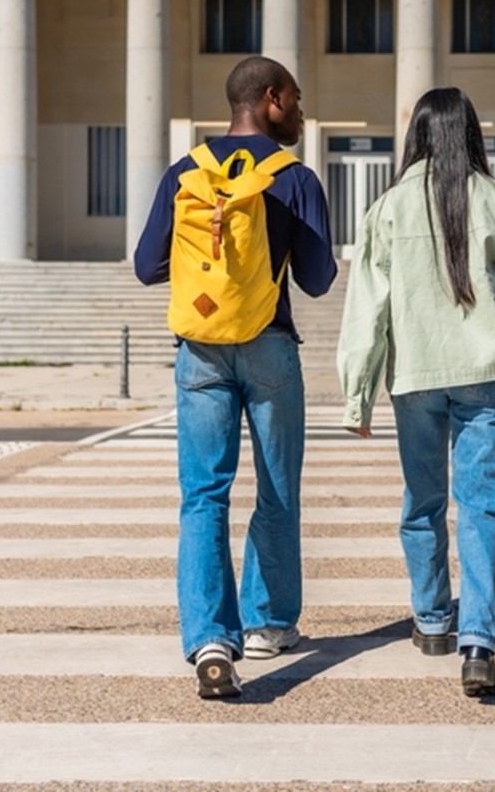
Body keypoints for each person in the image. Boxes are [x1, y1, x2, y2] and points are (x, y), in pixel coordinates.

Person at [337, 88, 495, 698]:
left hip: (414, 377)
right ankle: (479, 644)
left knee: (423, 502)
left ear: (415, 134)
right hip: (485, 372)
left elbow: (367, 311)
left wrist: (357, 396)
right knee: (484, 508)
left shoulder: (386, 208)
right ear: (470, 135)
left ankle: (433, 619)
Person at [134, 56, 337, 700]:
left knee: (202, 495)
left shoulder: (184, 173)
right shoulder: (294, 178)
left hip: (199, 350)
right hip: (271, 347)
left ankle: (209, 638)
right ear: (270, 98)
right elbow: (319, 279)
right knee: (276, 491)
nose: (301, 113)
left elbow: (145, 265)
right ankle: (269, 625)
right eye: (297, 101)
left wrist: (208, 278)